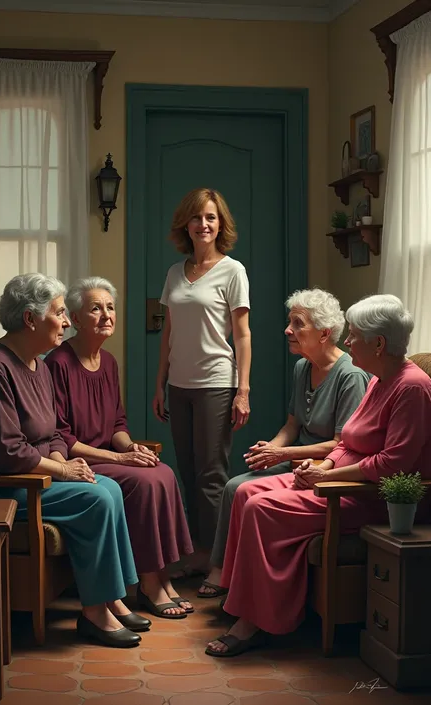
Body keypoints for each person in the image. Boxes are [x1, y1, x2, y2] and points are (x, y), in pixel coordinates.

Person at [205, 294, 431, 657]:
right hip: (341, 478)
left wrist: (331, 476)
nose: (349, 341)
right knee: (245, 493)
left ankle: (257, 622)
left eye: (354, 335)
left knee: (261, 508)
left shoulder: (412, 387)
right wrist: (323, 466)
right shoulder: (379, 378)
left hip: (371, 497)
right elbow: (349, 441)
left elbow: (393, 464)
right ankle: (241, 600)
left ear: (379, 344)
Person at [0, 274, 147, 649]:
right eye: (59, 313)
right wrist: (62, 470)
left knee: (107, 487)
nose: (65, 321)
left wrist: (66, 464)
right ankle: (95, 612)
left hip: (34, 476)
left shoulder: (38, 366)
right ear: (31, 319)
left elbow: (55, 434)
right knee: (97, 497)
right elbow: (6, 451)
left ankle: (111, 598)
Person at [199, 288, 370, 597]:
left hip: (320, 466)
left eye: (297, 323)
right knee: (233, 485)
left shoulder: (351, 376)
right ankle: (224, 569)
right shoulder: (303, 366)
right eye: (290, 322)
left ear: (323, 333)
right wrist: (270, 449)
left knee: (241, 489)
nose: (287, 330)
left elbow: (340, 444)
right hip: (292, 457)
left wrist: (282, 452)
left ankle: (237, 579)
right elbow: (292, 425)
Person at [45, 277, 194, 619]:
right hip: (80, 461)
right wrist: (121, 457)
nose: (106, 315)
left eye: (110, 307)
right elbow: (63, 438)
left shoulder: (109, 362)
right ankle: (148, 584)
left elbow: (117, 425)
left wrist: (134, 450)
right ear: (76, 320)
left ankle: (162, 576)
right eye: (95, 308)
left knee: (161, 471)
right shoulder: (58, 364)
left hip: (110, 455)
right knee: (143, 482)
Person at [153, 187, 251, 574]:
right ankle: (195, 552)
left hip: (216, 383)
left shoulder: (233, 270)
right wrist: (159, 384)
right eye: (197, 217)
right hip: (179, 386)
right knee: (188, 472)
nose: (204, 224)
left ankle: (217, 562)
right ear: (186, 224)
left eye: (211, 217)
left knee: (211, 474)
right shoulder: (175, 273)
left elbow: (242, 334)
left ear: (220, 224)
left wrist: (242, 390)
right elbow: (168, 333)